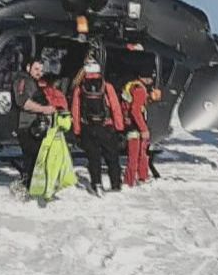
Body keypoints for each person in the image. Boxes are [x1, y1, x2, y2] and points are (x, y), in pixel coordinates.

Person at [70, 61, 126, 194]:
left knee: (93, 158)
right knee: (112, 157)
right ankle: (116, 183)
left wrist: (77, 130)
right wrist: (119, 128)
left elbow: (75, 110)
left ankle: (96, 183)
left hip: (88, 127)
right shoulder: (107, 86)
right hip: (106, 127)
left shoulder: (80, 88)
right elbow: (115, 108)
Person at [10, 58, 63, 179]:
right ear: (28, 68)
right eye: (36, 69)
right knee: (31, 156)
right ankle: (26, 183)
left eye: (41, 70)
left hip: (36, 125)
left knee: (36, 157)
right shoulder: (23, 80)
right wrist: (44, 109)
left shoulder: (34, 83)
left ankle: (32, 182)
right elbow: (23, 102)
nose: (39, 73)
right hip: (25, 125)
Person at [122, 74, 154, 187]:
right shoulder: (140, 89)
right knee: (137, 154)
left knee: (137, 154)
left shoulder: (132, 86)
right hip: (136, 126)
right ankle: (133, 179)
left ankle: (139, 177)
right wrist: (144, 129)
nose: (152, 79)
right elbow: (136, 110)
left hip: (130, 124)